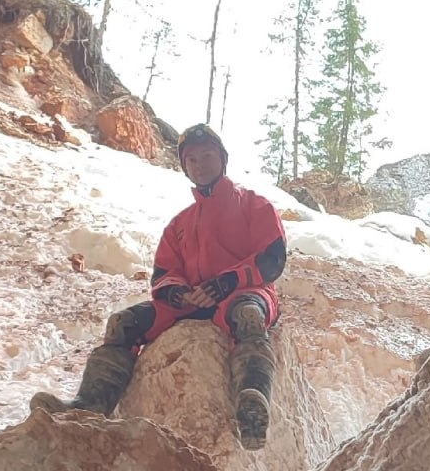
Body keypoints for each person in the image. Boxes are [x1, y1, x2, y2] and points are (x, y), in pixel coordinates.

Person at [30, 124, 287, 450]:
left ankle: (252, 406)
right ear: (185, 169)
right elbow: (164, 274)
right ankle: (89, 406)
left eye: (207, 155)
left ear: (223, 159)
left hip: (244, 291)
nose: (200, 164)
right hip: (193, 301)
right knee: (122, 324)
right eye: (191, 160)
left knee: (248, 315)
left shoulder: (255, 205)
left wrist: (228, 282)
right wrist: (177, 293)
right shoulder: (180, 223)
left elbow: (272, 259)